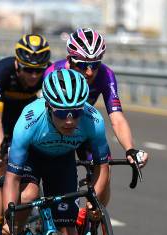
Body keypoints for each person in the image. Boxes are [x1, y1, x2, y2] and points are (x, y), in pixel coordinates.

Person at [2, 69, 110, 235]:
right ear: (49, 106)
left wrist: (95, 201)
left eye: (75, 112)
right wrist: (9, 219)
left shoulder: (93, 119)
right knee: (26, 197)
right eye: (62, 113)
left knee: (67, 232)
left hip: (62, 161)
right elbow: (12, 177)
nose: (70, 120)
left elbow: (102, 168)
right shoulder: (29, 120)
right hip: (32, 159)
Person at [44, 27, 148, 207]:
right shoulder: (54, 72)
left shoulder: (106, 75)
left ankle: (92, 219)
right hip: (57, 130)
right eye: (83, 65)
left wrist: (130, 149)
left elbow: (117, 117)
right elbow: (44, 116)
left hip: (84, 128)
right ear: (70, 60)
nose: (90, 72)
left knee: (104, 171)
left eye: (95, 64)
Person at [0, 34, 51, 235]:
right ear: (17, 63)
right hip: (3, 124)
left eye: (38, 71)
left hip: (28, 125)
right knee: (1, 172)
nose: (34, 76)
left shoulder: (46, 75)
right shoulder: (2, 71)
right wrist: (1, 147)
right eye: (28, 70)